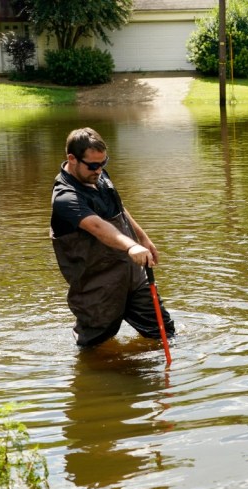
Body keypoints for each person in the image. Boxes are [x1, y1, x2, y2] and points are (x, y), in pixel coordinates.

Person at [50, 127, 175, 347]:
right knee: (94, 346)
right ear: (72, 158)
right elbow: (98, 227)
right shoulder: (65, 198)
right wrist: (130, 247)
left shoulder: (98, 175)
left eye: (103, 163)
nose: (99, 170)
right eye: (93, 165)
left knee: (164, 332)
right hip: (98, 287)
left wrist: (142, 238)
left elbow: (118, 208)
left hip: (133, 276)